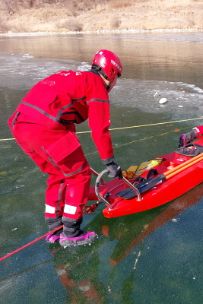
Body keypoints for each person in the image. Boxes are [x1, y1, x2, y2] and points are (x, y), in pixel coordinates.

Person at [8, 50, 123, 247]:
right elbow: (100, 128)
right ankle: (72, 232)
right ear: (111, 72)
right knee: (79, 176)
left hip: (21, 125)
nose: (115, 83)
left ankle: (55, 229)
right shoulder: (96, 85)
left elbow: (62, 113)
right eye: (117, 77)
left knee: (57, 175)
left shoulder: (72, 77)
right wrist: (109, 162)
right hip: (44, 127)